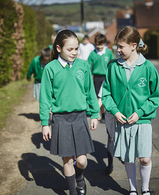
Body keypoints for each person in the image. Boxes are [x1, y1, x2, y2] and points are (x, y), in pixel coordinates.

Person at [102, 26, 159, 195]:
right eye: (117, 46)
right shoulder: (113, 67)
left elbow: (157, 95)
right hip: (123, 121)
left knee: (144, 158)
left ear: (134, 45)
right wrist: (114, 111)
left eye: (121, 46)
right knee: (129, 158)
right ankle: (133, 189)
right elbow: (106, 94)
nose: (118, 50)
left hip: (142, 121)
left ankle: (145, 189)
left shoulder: (148, 67)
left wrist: (140, 112)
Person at [40, 29, 100, 195]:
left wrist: (95, 114)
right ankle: (74, 191)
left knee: (81, 161)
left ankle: (80, 178)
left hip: (80, 117)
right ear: (59, 48)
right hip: (60, 119)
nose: (74, 52)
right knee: (68, 159)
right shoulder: (50, 69)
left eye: (76, 48)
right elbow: (45, 98)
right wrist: (45, 123)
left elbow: (90, 92)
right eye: (70, 49)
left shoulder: (83, 65)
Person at [87, 33, 114, 122]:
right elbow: (87, 65)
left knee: (104, 96)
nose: (99, 46)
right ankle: (102, 114)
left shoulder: (109, 52)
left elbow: (113, 64)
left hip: (107, 77)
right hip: (97, 78)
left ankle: (106, 113)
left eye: (101, 44)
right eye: (97, 44)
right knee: (99, 96)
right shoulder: (93, 54)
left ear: (104, 43)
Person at [97, 81, 116, 175]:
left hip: (125, 111)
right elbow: (101, 97)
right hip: (111, 111)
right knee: (111, 138)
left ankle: (126, 159)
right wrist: (96, 112)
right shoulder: (107, 80)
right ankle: (110, 164)